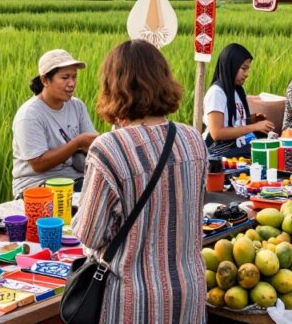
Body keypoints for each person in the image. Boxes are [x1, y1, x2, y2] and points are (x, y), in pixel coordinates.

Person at [73, 39, 207, 324]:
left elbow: (91, 234)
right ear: (164, 79)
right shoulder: (193, 138)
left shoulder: (108, 148)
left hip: (135, 302)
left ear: (113, 86)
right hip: (190, 293)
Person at [11, 49, 99, 196]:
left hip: (74, 179)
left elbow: (90, 144)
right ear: (45, 80)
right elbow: (38, 164)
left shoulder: (77, 106)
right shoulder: (30, 114)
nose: (72, 83)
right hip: (36, 185)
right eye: (65, 78)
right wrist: (77, 143)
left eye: (74, 77)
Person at [204, 43, 274, 157]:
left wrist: (251, 119)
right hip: (218, 152)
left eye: (248, 69)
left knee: (269, 144)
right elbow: (216, 133)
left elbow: (233, 123)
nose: (247, 74)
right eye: (243, 68)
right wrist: (254, 127)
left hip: (236, 145)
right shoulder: (217, 93)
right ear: (231, 66)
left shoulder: (237, 91)